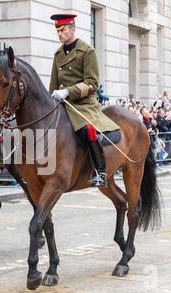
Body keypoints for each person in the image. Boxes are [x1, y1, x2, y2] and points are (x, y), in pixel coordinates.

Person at [49, 13, 119, 187]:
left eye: (63, 30)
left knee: (86, 129)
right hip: (62, 103)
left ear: (73, 29)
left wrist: (67, 92)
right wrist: (52, 96)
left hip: (83, 104)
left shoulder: (87, 51)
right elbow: (53, 84)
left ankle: (101, 171)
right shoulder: (58, 54)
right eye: (57, 30)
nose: (59, 34)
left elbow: (92, 83)